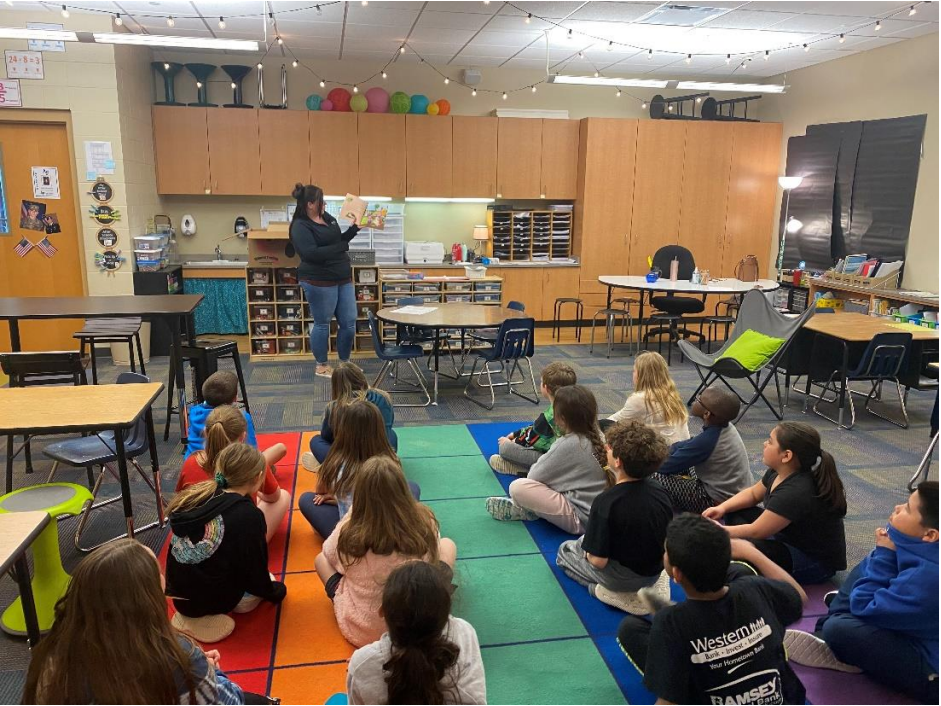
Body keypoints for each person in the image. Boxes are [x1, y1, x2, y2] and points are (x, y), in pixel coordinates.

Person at [23, 538, 248, 704]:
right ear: (148, 601)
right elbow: (232, 702)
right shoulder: (177, 659)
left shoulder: (52, 660)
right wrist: (211, 672)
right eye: (158, 575)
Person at [617, 514, 808, 705]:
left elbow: (668, 702)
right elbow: (800, 597)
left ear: (676, 574)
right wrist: (752, 553)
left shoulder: (670, 621)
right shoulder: (754, 587)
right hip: (787, 699)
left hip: (685, 641)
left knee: (630, 629)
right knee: (740, 571)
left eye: (666, 552)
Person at [785, 481, 939, 703]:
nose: (897, 507)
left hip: (931, 674)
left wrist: (884, 555)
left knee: (839, 628)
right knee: (881, 551)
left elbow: (865, 605)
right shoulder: (924, 549)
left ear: (931, 534)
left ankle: (830, 632)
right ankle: (836, 621)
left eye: (906, 507)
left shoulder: (929, 578)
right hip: (912, 624)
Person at [315, 456, 457, 647]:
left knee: (320, 560)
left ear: (360, 495)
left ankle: (341, 599)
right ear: (403, 491)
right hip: (415, 625)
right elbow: (431, 561)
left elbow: (329, 555)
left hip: (362, 629)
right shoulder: (423, 519)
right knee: (447, 544)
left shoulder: (349, 528)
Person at [167, 443, 287, 643]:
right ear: (258, 478)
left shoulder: (197, 495)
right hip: (211, 600)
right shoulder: (248, 515)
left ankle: (191, 618)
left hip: (178, 596)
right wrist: (274, 591)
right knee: (253, 593)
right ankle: (209, 614)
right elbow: (254, 567)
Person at [703, 421, 847, 583]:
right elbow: (752, 495)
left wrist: (719, 532)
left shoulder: (796, 491)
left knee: (748, 550)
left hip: (814, 562)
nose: (764, 444)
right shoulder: (780, 471)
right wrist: (722, 508)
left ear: (786, 456)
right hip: (786, 537)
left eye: (770, 441)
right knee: (735, 511)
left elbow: (757, 531)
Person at [556, 421, 673, 610]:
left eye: (609, 448)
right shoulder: (661, 491)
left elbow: (598, 561)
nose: (605, 448)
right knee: (587, 541)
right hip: (655, 569)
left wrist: (586, 553)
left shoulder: (606, 502)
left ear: (617, 461)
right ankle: (654, 584)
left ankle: (606, 593)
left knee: (565, 552)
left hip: (621, 578)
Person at [346, 561, 486, 705]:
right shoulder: (464, 632)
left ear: (382, 611)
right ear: (445, 613)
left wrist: (365, 661)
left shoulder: (362, 665)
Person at [486, 385, 609, 535]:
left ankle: (526, 509)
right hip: (598, 513)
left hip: (581, 519)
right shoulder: (599, 434)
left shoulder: (568, 443)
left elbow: (533, 478)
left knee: (518, 487)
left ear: (561, 419)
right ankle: (528, 507)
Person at [298, 398, 419, 540]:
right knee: (412, 487)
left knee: (307, 499)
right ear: (379, 430)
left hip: (354, 537)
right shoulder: (391, 461)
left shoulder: (336, 462)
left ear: (343, 432)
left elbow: (320, 491)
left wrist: (337, 497)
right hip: (388, 531)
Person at [176, 405, 291, 542]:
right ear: (243, 436)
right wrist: (255, 492)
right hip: (234, 545)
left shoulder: (191, 462)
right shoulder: (251, 461)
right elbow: (273, 497)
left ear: (206, 432)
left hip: (194, 542)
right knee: (283, 496)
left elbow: (181, 501)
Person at [290, 183, 360, 378]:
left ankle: (345, 364)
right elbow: (311, 254)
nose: (325, 203)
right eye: (322, 200)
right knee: (322, 323)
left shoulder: (327, 218)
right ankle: (321, 365)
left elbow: (339, 241)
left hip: (342, 278)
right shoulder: (300, 226)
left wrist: (354, 230)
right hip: (318, 280)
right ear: (311, 204)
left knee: (349, 322)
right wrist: (341, 247)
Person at [653, 386, 752, 513]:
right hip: (735, 491)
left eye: (699, 399)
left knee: (653, 475)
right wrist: (672, 449)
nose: (695, 399)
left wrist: (658, 454)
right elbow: (688, 444)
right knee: (682, 460)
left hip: (716, 501)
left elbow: (664, 467)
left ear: (707, 414)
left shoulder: (708, 441)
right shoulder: (724, 427)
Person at [301, 362, 396, 472]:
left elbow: (327, 436)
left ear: (336, 385)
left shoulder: (335, 407)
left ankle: (340, 468)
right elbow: (389, 424)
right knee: (392, 434)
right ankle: (385, 464)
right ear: (361, 378)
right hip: (379, 455)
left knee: (316, 441)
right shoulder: (383, 397)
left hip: (350, 458)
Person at [488, 361, 577, 476]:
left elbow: (529, 440)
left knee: (504, 449)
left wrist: (512, 442)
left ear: (546, 388)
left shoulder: (550, 416)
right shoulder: (579, 405)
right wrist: (516, 433)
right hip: (576, 458)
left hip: (557, 463)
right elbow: (535, 429)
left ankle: (528, 470)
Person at [600, 350, 690, 443]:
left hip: (663, 452)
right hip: (681, 447)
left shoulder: (641, 399)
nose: (633, 374)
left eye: (634, 371)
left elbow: (618, 422)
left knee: (607, 428)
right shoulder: (671, 394)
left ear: (641, 375)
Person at [186, 370, 257, 460]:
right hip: (227, 468)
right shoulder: (242, 417)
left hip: (193, 465)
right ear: (235, 398)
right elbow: (252, 450)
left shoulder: (194, 412)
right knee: (276, 451)